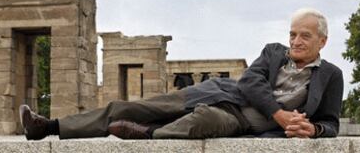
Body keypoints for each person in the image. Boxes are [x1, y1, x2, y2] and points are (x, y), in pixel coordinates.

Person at [20, 8, 343, 140]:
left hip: (238, 120)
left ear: (322, 41)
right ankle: (47, 126)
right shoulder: (273, 52)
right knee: (130, 107)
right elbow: (249, 81)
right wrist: (280, 114)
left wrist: (312, 130)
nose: (296, 41)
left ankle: (146, 134)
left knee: (201, 121)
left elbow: (330, 121)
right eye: (293, 34)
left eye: (305, 36)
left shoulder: (330, 75)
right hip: (219, 93)